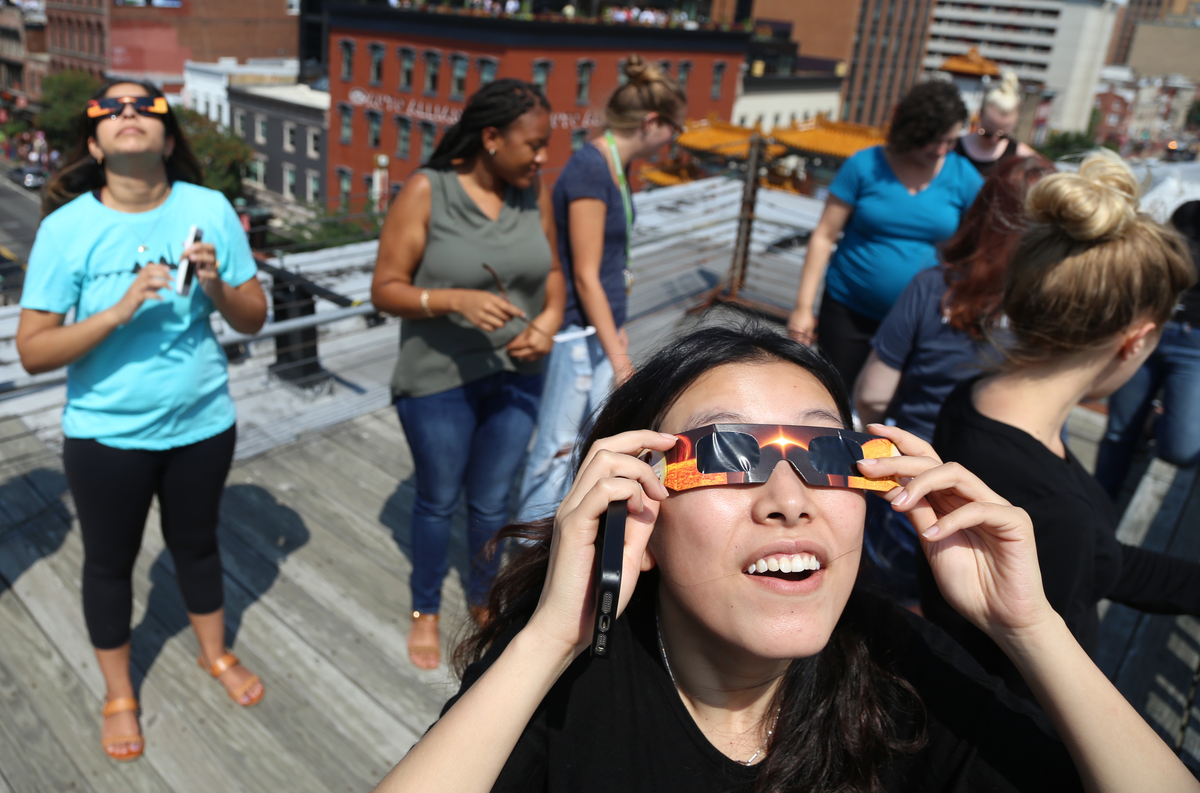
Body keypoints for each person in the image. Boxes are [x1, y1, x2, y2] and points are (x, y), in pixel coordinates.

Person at [370, 320, 1199, 792]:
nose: (790, 497)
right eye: (729, 455)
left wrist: (1033, 628)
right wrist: (549, 638)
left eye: (830, 457)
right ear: (638, 512)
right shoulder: (569, 685)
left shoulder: (898, 670)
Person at [16, 81, 268, 762]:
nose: (129, 113)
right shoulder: (66, 228)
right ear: (94, 145)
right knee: (110, 563)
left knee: (198, 544)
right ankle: (121, 692)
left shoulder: (208, 208)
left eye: (146, 107)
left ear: (168, 135)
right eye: (111, 110)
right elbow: (34, 351)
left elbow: (254, 315)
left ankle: (215, 654)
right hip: (105, 436)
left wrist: (215, 283)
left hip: (203, 421)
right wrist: (118, 309)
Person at [922, 151, 1200, 699]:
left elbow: (1102, 562)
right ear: (1136, 340)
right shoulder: (1052, 509)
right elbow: (1040, 699)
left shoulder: (973, 400)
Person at [370, 79, 565, 671]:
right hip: (438, 379)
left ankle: (483, 596)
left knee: (490, 503)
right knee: (437, 501)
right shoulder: (430, 191)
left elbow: (551, 276)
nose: (542, 158)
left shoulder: (534, 193)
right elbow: (385, 289)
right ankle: (424, 608)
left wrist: (549, 322)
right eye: (532, 144)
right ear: (490, 138)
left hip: (518, 374)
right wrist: (453, 299)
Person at [853, 155, 1055, 600]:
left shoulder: (931, 287)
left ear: (982, 213)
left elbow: (871, 394)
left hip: (913, 487)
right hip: (1001, 502)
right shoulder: (1052, 318)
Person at [518, 54, 686, 524]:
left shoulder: (614, 167)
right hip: (578, 336)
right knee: (555, 452)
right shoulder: (592, 169)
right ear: (652, 122)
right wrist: (620, 359)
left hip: (599, 332)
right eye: (676, 128)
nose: (675, 138)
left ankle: (556, 546)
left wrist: (616, 332)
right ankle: (519, 569)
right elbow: (587, 275)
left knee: (585, 446)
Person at [787, 81, 983, 393]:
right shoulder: (865, 166)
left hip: (919, 318)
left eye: (950, 141)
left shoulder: (964, 176)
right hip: (849, 308)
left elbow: (979, 244)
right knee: (833, 392)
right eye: (934, 141)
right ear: (911, 132)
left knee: (888, 408)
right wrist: (802, 307)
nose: (942, 150)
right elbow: (824, 236)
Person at [1095, 199, 1200, 500]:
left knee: (1182, 449)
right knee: (1118, 433)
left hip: (1194, 346)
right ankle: (1099, 507)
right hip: (1154, 326)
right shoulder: (1188, 211)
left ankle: (1154, 422)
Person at [954, 70, 1038, 177]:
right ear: (979, 115)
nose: (994, 140)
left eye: (1003, 135)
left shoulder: (1024, 157)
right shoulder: (953, 147)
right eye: (987, 133)